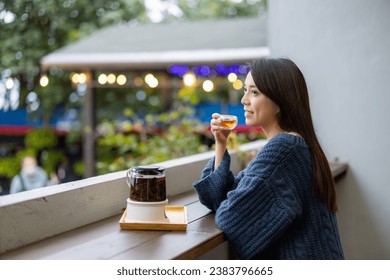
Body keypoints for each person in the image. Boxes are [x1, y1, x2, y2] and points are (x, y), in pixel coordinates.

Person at [193, 57, 344, 260]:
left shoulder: (284, 150)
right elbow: (220, 198)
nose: (243, 99)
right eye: (245, 90)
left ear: (279, 101)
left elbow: (231, 217)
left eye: (254, 92)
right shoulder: (293, 144)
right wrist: (221, 144)